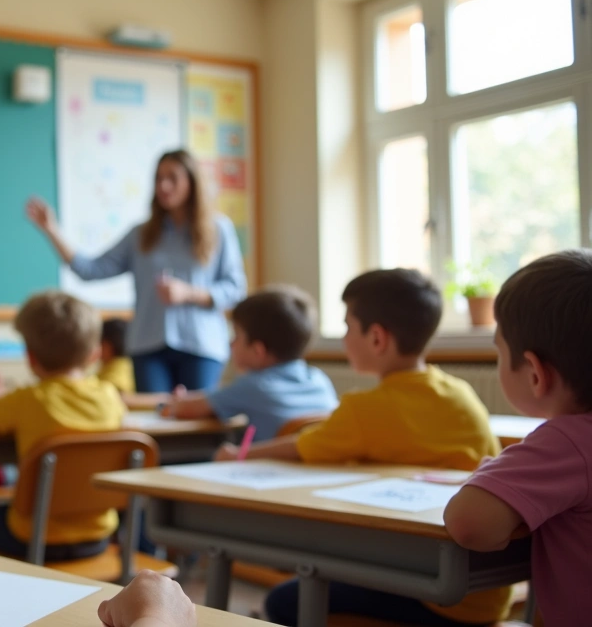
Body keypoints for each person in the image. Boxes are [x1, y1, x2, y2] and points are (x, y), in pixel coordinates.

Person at [217, 269, 509, 626]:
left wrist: (239, 454)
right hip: (486, 593)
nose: (343, 339)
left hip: (436, 596)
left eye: (347, 327)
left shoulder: (366, 409)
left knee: (285, 601)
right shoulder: (461, 393)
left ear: (377, 338)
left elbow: (303, 446)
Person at [445, 250, 592, 625]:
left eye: (499, 350)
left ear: (534, 373)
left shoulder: (568, 440)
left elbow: (468, 523)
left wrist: (490, 474)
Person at [27, 149, 246, 394]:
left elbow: (235, 288)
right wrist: (52, 230)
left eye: (172, 178)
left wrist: (189, 293)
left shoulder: (219, 230)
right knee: (153, 414)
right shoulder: (141, 235)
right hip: (147, 347)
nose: (163, 186)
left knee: (199, 415)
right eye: (158, 178)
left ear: (192, 182)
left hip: (202, 346)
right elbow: (90, 270)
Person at [0, 291, 124, 561]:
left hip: (33, 536)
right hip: (99, 536)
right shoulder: (110, 397)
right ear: (94, 354)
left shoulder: (29, 399)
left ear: (30, 357)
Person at [161, 286, 337, 441]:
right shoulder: (319, 379)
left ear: (257, 351)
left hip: (267, 466)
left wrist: (178, 402)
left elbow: (187, 409)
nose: (231, 344)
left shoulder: (255, 385)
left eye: (236, 336)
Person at [98, 318, 136, 396]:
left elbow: (120, 395)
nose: (98, 347)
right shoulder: (108, 364)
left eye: (101, 342)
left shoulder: (120, 366)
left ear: (111, 345)